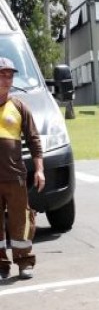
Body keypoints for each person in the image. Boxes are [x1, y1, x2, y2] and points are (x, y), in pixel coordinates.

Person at [0, 57, 44, 281]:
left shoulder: (19, 107)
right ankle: (1, 266)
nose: (7, 80)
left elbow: (34, 140)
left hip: (15, 177)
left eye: (10, 75)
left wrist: (39, 169)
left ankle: (25, 262)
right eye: (2, 75)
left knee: (22, 222)